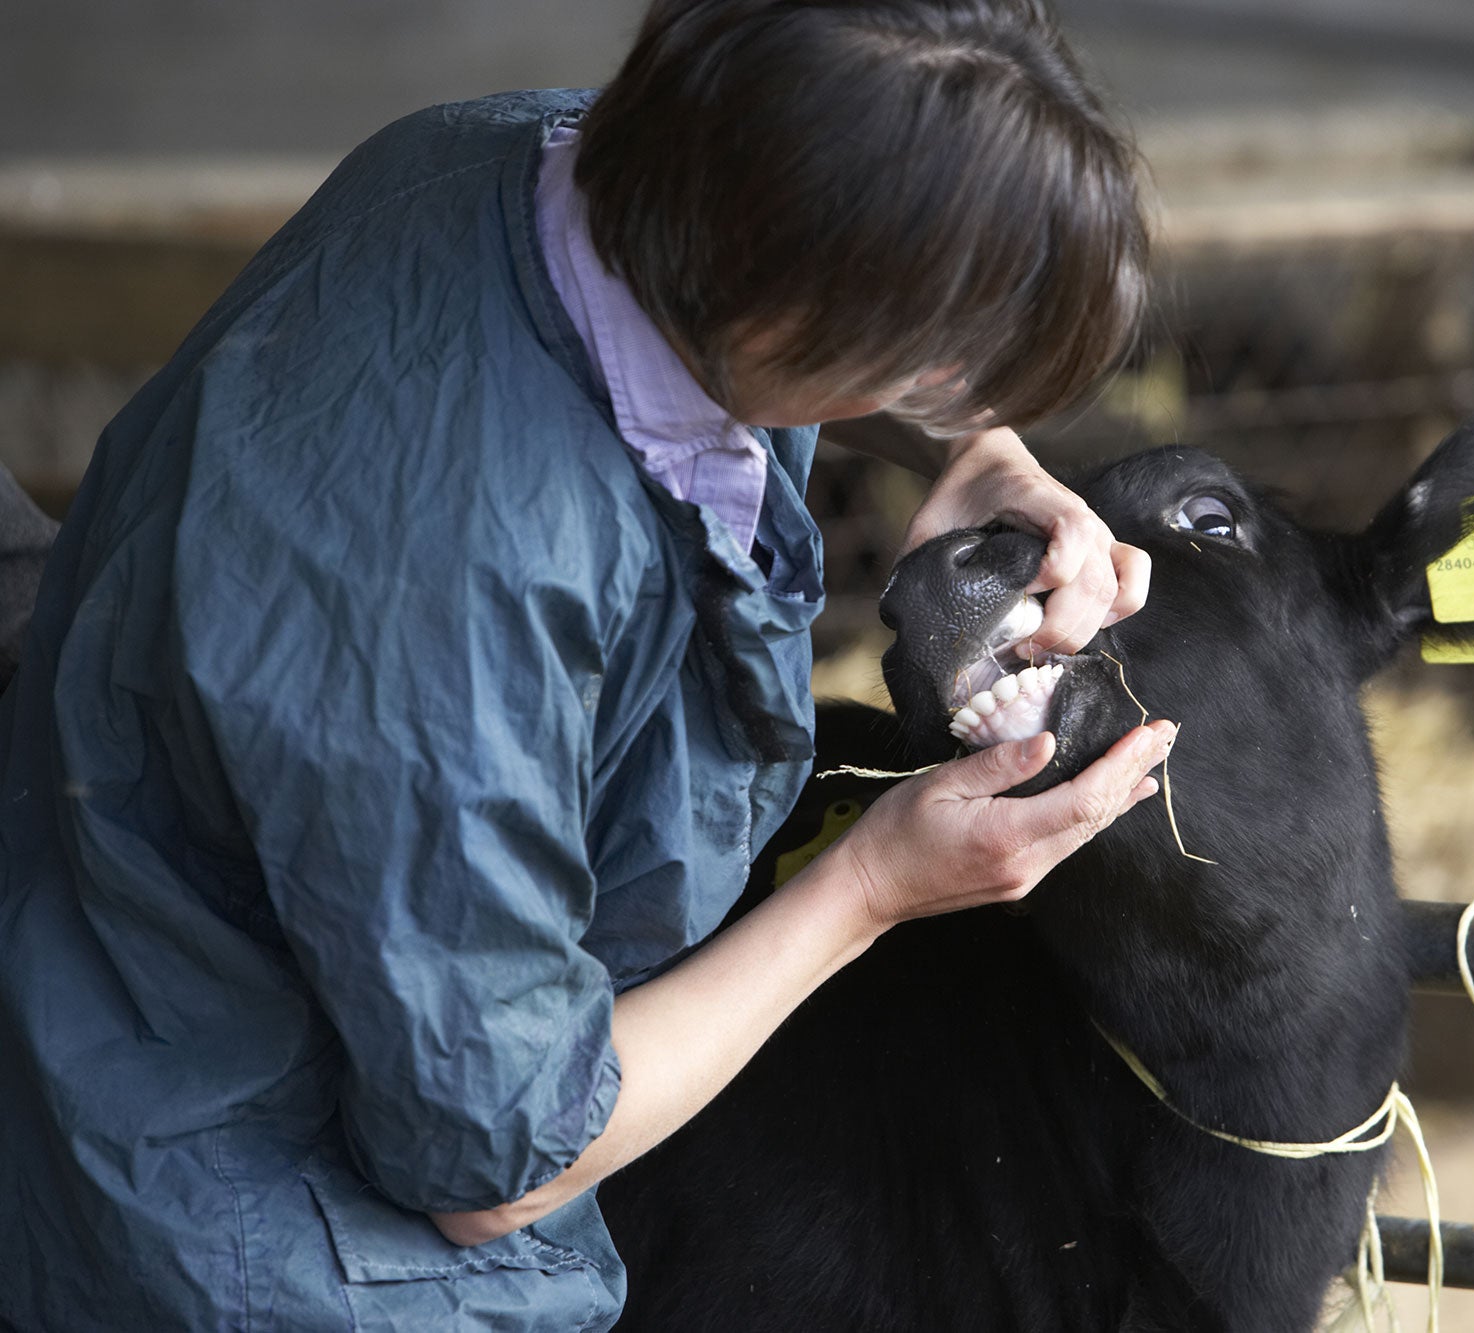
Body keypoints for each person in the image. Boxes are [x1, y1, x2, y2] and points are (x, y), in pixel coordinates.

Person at [0, 2, 1175, 1328]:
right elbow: (492, 1163)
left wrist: (984, 458)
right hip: (244, 1230)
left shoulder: (527, 161)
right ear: (795, 295)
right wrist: (872, 887)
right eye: (946, 357)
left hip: (112, 916)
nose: (954, 388)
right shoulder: (458, 585)